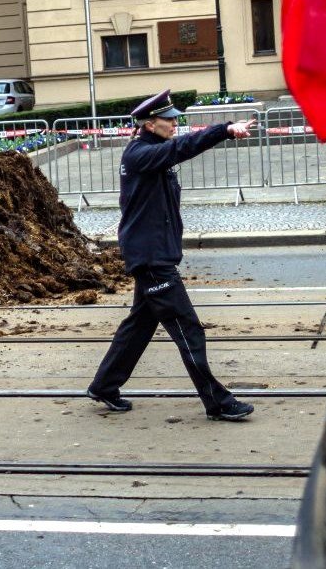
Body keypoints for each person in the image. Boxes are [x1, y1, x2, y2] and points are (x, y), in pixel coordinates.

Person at [87, 90, 259, 421]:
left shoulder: (151, 152)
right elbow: (182, 148)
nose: (175, 124)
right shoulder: (141, 154)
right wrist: (224, 129)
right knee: (188, 329)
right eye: (170, 120)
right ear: (150, 124)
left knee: (138, 326)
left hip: (153, 253)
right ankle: (217, 402)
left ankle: (104, 385)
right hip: (153, 260)